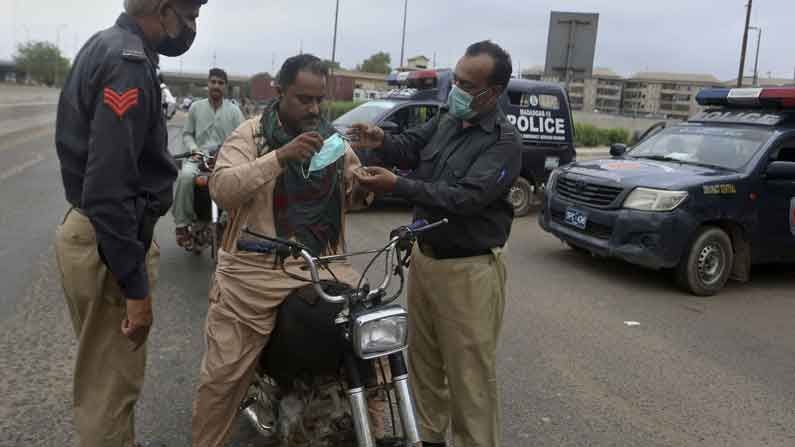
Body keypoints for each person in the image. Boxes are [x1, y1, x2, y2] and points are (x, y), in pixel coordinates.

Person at [190, 54, 378, 447]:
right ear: (280, 92)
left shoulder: (332, 142)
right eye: (303, 99)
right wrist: (280, 157)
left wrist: (361, 187)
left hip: (322, 267)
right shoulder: (252, 135)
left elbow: (353, 193)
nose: (313, 109)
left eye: (318, 100)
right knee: (221, 380)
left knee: (371, 348)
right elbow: (222, 189)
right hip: (252, 273)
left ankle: (368, 431)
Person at [350, 40, 522, 447]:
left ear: (492, 93)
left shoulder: (504, 143)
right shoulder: (448, 117)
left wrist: (398, 185)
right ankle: (427, 440)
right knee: (423, 367)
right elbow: (411, 144)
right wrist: (380, 139)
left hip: (469, 271)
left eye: (466, 84)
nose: (455, 90)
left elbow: (464, 198)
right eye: (455, 79)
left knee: (469, 379)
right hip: (426, 262)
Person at [53, 0, 206, 445]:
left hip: (89, 231)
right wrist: (135, 289)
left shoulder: (105, 45)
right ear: (162, 10)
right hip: (109, 241)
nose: (191, 28)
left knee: (101, 373)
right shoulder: (129, 62)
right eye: (189, 16)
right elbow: (108, 188)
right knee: (110, 387)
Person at [173, 68, 245, 246]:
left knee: (238, 181)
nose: (216, 86)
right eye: (213, 82)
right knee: (185, 177)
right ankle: (182, 225)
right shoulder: (196, 108)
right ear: (208, 84)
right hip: (198, 157)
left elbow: (243, 137)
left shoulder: (235, 112)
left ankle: (226, 222)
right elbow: (187, 133)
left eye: (220, 83)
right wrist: (194, 148)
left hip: (225, 160)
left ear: (226, 87)